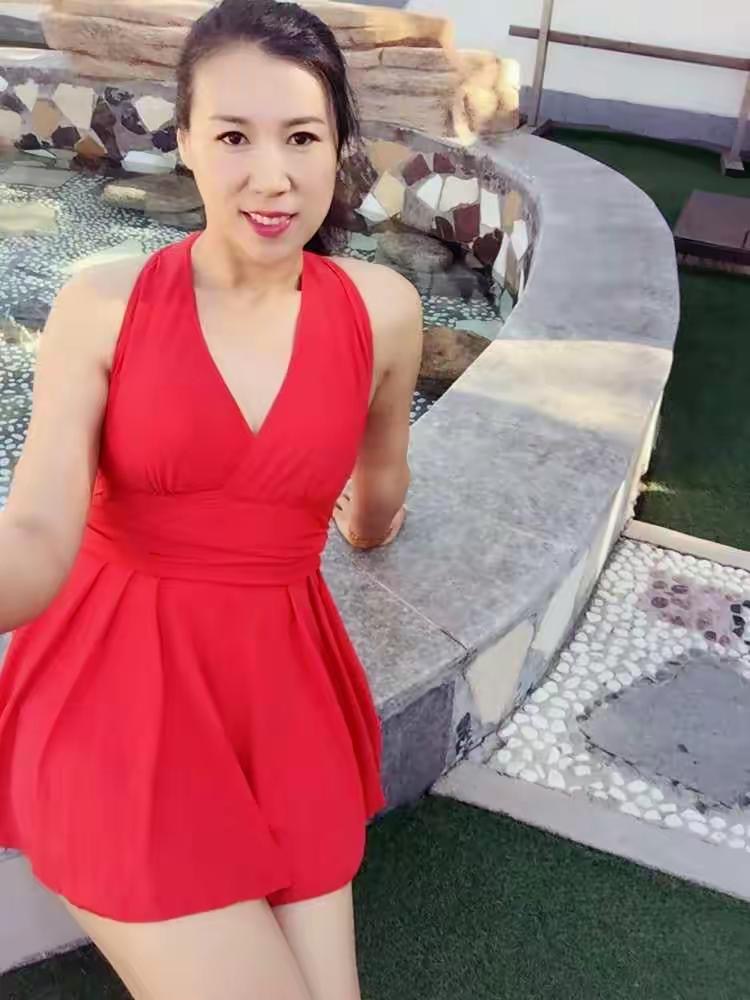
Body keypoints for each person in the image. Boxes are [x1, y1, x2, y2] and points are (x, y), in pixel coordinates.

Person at [0, 0, 423, 996]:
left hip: (280, 700)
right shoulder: (103, 306)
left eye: (302, 138)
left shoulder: (384, 312)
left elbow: (378, 496)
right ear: (185, 140)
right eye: (234, 137)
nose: (271, 177)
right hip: (117, 702)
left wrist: (368, 523)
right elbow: (39, 531)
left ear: (338, 147)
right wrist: (367, 518)